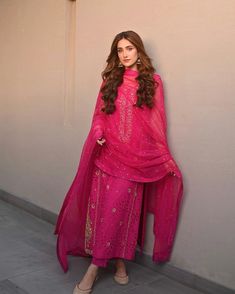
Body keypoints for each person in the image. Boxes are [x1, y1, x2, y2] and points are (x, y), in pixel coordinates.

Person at [54, 30, 183, 294]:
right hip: (107, 156)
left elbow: (157, 125)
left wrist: (163, 157)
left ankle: (94, 268)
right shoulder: (110, 80)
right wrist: (99, 133)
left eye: (129, 49)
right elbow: (100, 116)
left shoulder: (152, 83)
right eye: (120, 50)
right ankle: (120, 264)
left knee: (124, 213)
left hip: (134, 163)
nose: (124, 54)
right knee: (106, 212)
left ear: (139, 51)